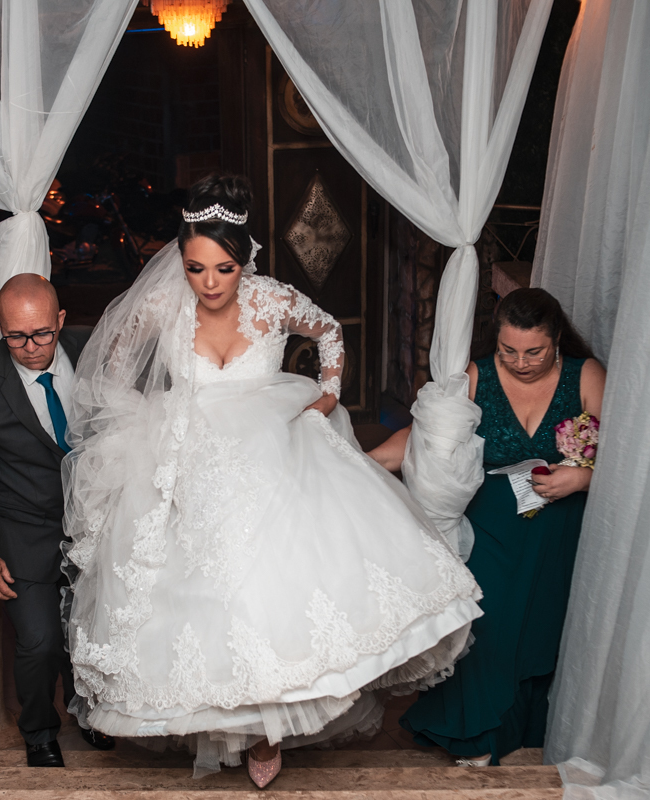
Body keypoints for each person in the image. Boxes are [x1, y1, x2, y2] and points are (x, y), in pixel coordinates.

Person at [61, 175, 483, 787]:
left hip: (272, 449)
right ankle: (226, 719)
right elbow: (113, 367)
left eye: (224, 269)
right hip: (189, 455)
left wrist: (329, 394)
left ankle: (267, 734)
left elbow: (330, 331)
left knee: (273, 582)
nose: (209, 283)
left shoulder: (274, 300)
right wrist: (144, 418)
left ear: (245, 259)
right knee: (196, 593)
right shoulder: (160, 306)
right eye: (195, 268)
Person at [368, 288, 606, 766]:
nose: (520, 362)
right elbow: (424, 438)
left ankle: (530, 732)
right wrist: (359, 462)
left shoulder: (587, 375)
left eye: (534, 351)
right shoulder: (476, 375)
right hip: (490, 522)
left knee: (543, 627)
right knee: (487, 622)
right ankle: (476, 733)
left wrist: (583, 477)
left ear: (557, 339)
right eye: (508, 350)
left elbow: (629, 451)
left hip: (559, 527)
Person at [0, 274, 114, 767]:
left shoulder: (91, 348)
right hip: (20, 531)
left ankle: (90, 713)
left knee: (90, 630)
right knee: (39, 641)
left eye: (41, 334)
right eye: (16, 336)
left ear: (60, 321)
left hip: (94, 524)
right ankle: (38, 731)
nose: (31, 347)